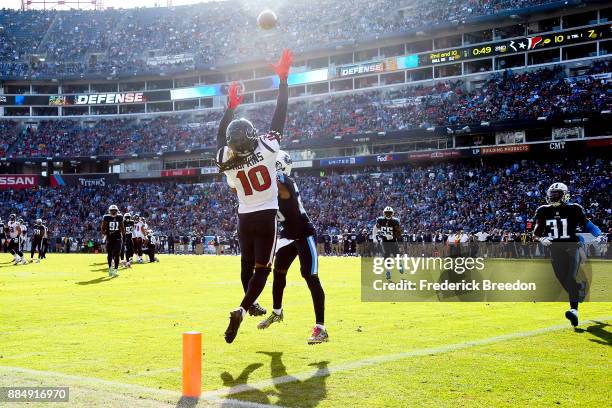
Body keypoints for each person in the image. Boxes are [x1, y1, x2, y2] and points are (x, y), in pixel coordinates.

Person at [218, 48, 292, 344]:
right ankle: (242, 308)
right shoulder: (265, 147)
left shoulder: (227, 158)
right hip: (266, 215)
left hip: (244, 217)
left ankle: (249, 303)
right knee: (262, 269)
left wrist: (229, 109)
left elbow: (220, 137)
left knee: (246, 265)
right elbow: (279, 120)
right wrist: (283, 81)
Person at [257, 150, 328, 344]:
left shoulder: (285, 181)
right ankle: (277, 312)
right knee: (278, 272)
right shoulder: (269, 186)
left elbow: (283, 191)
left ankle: (321, 328)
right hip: (288, 235)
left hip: (304, 233)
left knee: (310, 276)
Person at [532, 182, 605, 327]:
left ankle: (574, 310)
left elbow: (588, 225)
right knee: (562, 279)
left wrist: (599, 234)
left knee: (570, 277)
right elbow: (535, 233)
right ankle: (580, 289)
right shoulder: (542, 210)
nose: (553, 197)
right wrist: (541, 238)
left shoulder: (574, 209)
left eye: (556, 194)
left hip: (572, 247)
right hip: (555, 250)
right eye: (551, 194)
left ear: (564, 195)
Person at [373, 206, 402, 280]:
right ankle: (388, 271)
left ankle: (399, 265)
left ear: (392, 214)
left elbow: (399, 233)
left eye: (389, 213)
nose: (388, 214)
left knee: (397, 255)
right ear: (384, 213)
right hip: (385, 242)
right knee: (387, 257)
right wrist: (374, 237)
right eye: (387, 213)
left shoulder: (395, 221)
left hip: (393, 242)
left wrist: (392, 236)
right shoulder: (380, 220)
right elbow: (375, 228)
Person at [101, 205, 124, 277]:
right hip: (110, 238)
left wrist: (124, 237)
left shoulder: (120, 217)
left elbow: (122, 227)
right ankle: (110, 268)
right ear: (109, 211)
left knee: (117, 253)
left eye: (115, 210)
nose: (113, 212)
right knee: (110, 254)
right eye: (112, 210)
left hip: (118, 237)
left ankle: (116, 269)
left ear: (117, 211)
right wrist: (106, 233)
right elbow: (102, 228)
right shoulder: (106, 217)